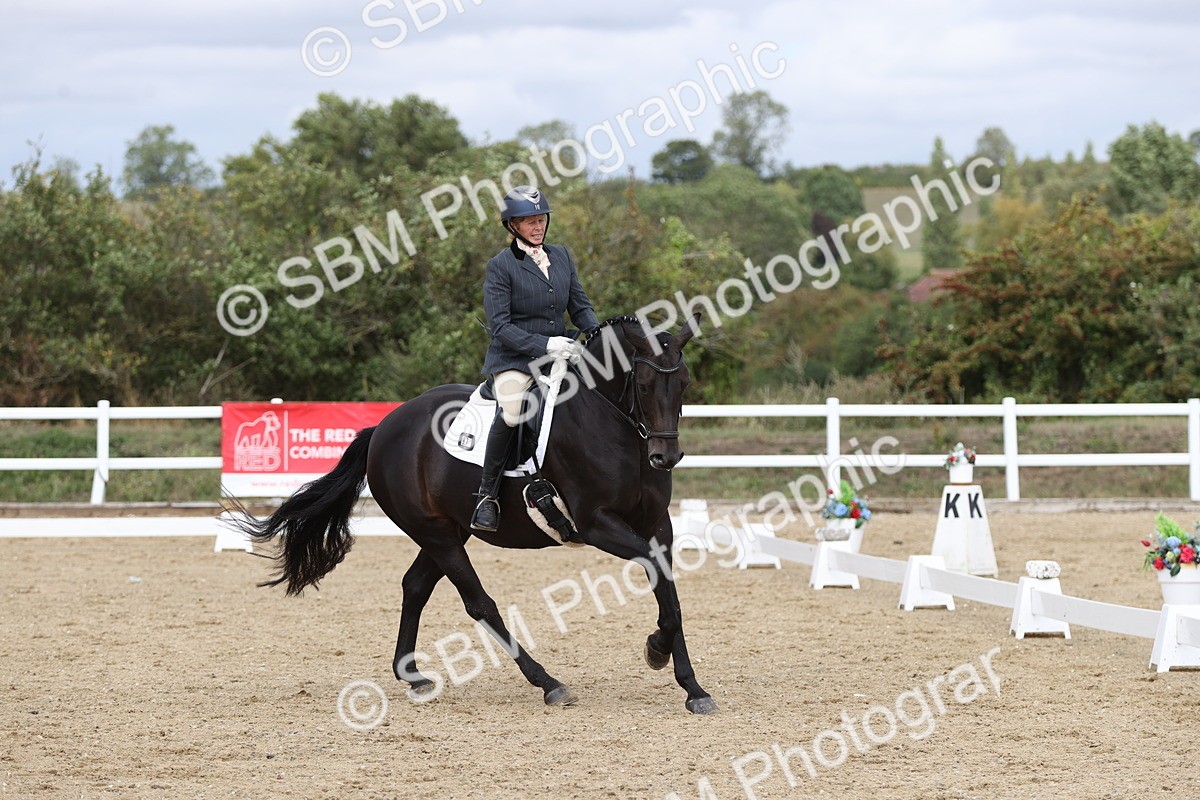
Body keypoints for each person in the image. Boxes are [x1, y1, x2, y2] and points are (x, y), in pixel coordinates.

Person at [470, 185, 600, 532]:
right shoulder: (500, 267)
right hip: (515, 359)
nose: (537, 225)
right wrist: (545, 344)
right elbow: (500, 327)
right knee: (513, 412)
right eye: (529, 221)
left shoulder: (561, 255)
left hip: (562, 350)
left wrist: (597, 334)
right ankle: (488, 496)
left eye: (541, 218)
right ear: (512, 226)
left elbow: (580, 304)